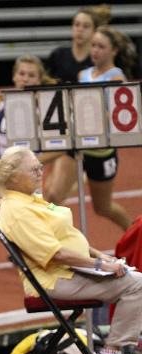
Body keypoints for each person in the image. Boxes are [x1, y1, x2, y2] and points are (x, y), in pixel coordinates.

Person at [0, 146, 142, 354]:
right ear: (14, 177)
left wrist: (100, 256)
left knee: (132, 280)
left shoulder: (30, 200)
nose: (41, 172)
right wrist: (100, 266)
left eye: (40, 167)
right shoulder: (17, 211)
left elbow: (65, 235)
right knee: (136, 284)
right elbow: (55, 254)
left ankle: (112, 350)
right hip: (55, 280)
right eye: (34, 169)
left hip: (69, 271)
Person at [0, 54, 56, 311]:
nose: (25, 79)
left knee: (33, 237)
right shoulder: (6, 102)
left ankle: (46, 289)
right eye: (21, 74)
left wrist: (32, 163)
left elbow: (59, 145)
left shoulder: (43, 109)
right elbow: (4, 132)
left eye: (31, 75)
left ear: (39, 80)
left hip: (27, 180)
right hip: (1, 174)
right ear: (14, 76)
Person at [43, 25, 136, 233]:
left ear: (114, 51)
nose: (95, 50)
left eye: (101, 46)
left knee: (102, 208)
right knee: (53, 196)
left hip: (100, 150)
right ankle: (55, 246)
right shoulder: (83, 74)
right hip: (77, 144)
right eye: (93, 45)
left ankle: (134, 234)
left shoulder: (116, 78)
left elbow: (118, 118)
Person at [46, 5, 111, 83]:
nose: (80, 29)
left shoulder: (97, 58)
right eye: (77, 25)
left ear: (94, 31)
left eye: (86, 26)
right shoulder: (58, 55)